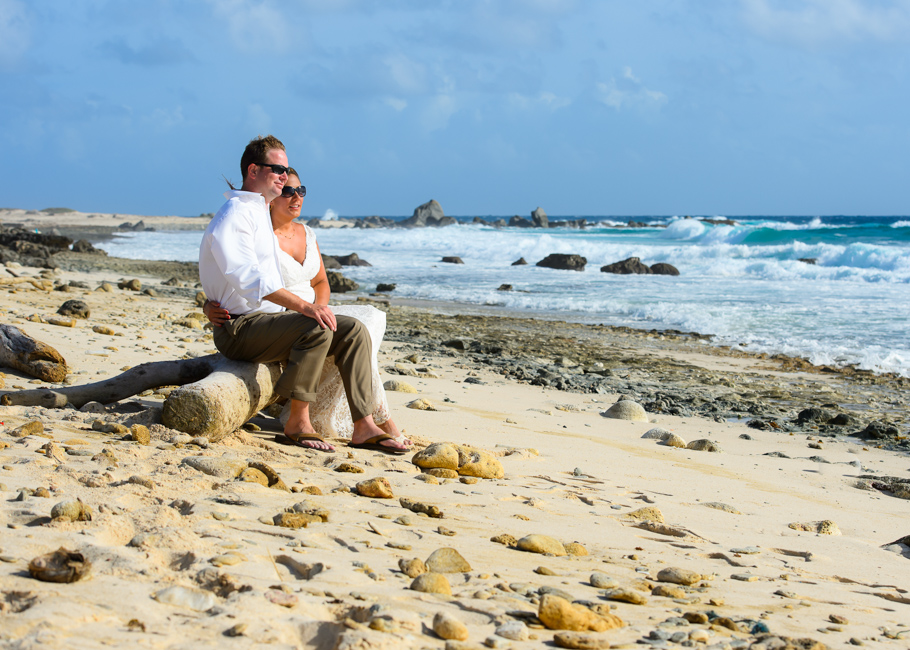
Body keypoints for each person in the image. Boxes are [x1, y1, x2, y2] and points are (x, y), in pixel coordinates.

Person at [198, 135, 408, 454]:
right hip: (238, 328)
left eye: (287, 171)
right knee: (315, 326)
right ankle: (297, 421)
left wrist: (307, 308)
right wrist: (306, 308)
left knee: (353, 330)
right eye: (277, 170)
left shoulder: (258, 212)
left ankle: (364, 425)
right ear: (253, 171)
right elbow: (248, 280)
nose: (285, 177)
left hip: (271, 322)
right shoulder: (235, 216)